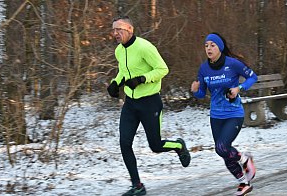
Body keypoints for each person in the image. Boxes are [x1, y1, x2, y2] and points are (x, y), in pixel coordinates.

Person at [107, 16, 191, 196]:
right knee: (124, 143)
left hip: (150, 102)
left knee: (156, 145)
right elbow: (123, 70)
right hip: (130, 104)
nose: (115, 33)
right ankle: (137, 185)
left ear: (129, 29)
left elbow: (162, 69)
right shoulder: (119, 51)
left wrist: (142, 79)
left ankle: (179, 146)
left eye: (119, 29)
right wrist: (115, 83)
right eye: (113, 30)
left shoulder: (145, 47)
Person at [190, 32, 258, 196]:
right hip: (216, 116)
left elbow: (252, 77)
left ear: (219, 47)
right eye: (206, 46)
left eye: (212, 45)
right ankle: (243, 182)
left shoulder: (232, 64)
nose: (208, 48)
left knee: (222, 146)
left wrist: (239, 88)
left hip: (234, 113)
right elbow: (201, 94)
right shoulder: (204, 68)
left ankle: (243, 159)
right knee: (221, 151)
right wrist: (195, 91)